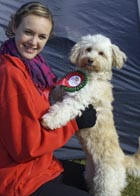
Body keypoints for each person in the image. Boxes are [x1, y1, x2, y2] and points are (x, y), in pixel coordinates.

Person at [0, 2, 96, 196]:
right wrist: (74, 121)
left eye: (42, 36)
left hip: (43, 165)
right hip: (19, 179)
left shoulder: (35, 65)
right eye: (28, 32)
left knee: (99, 182)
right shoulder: (10, 74)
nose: (34, 42)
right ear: (13, 27)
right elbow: (25, 148)